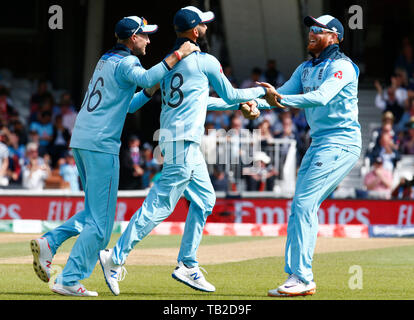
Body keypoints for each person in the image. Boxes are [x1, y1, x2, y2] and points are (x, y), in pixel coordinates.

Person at [98, 6, 279, 296]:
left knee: (206, 199)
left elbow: (202, 102)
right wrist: (261, 94)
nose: (207, 28)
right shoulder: (205, 61)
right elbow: (230, 94)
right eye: (204, 25)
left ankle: (187, 264)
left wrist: (241, 105)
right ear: (196, 31)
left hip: (175, 139)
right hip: (182, 141)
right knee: (160, 205)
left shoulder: (169, 64)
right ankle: (115, 257)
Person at [29, 15, 200, 297]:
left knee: (95, 213)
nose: (148, 40)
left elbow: (127, 106)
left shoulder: (106, 61)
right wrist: (178, 54)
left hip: (83, 140)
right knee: (101, 226)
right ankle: (69, 279)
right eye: (145, 35)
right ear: (133, 38)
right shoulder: (127, 63)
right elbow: (146, 76)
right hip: (100, 145)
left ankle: (51, 242)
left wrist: (149, 91)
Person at [259, 15, 362, 297]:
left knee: (304, 204)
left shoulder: (343, 67)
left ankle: (302, 278)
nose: (312, 33)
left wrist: (278, 100)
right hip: (320, 143)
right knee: (301, 205)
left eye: (319, 30)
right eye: (311, 29)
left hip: (342, 142)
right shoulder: (305, 68)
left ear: (335, 36)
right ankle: (297, 276)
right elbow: (274, 96)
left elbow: (320, 97)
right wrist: (232, 102)